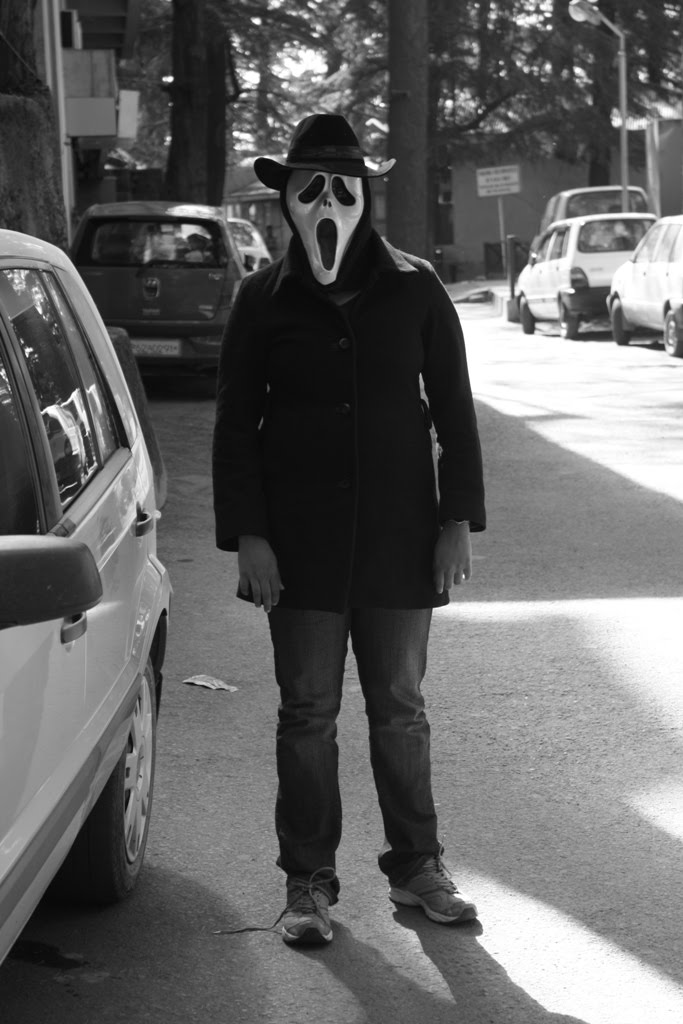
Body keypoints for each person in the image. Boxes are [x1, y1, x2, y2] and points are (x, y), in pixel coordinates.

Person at [212, 113, 486, 947]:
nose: (327, 203)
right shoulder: (262, 299)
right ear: (286, 199)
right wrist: (249, 536)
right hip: (297, 546)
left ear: (365, 196)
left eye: (342, 188)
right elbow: (234, 426)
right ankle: (308, 882)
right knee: (307, 713)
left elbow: (454, 410)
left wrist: (456, 521)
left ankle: (416, 866)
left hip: (401, 539)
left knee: (400, 709)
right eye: (310, 189)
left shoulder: (416, 288)